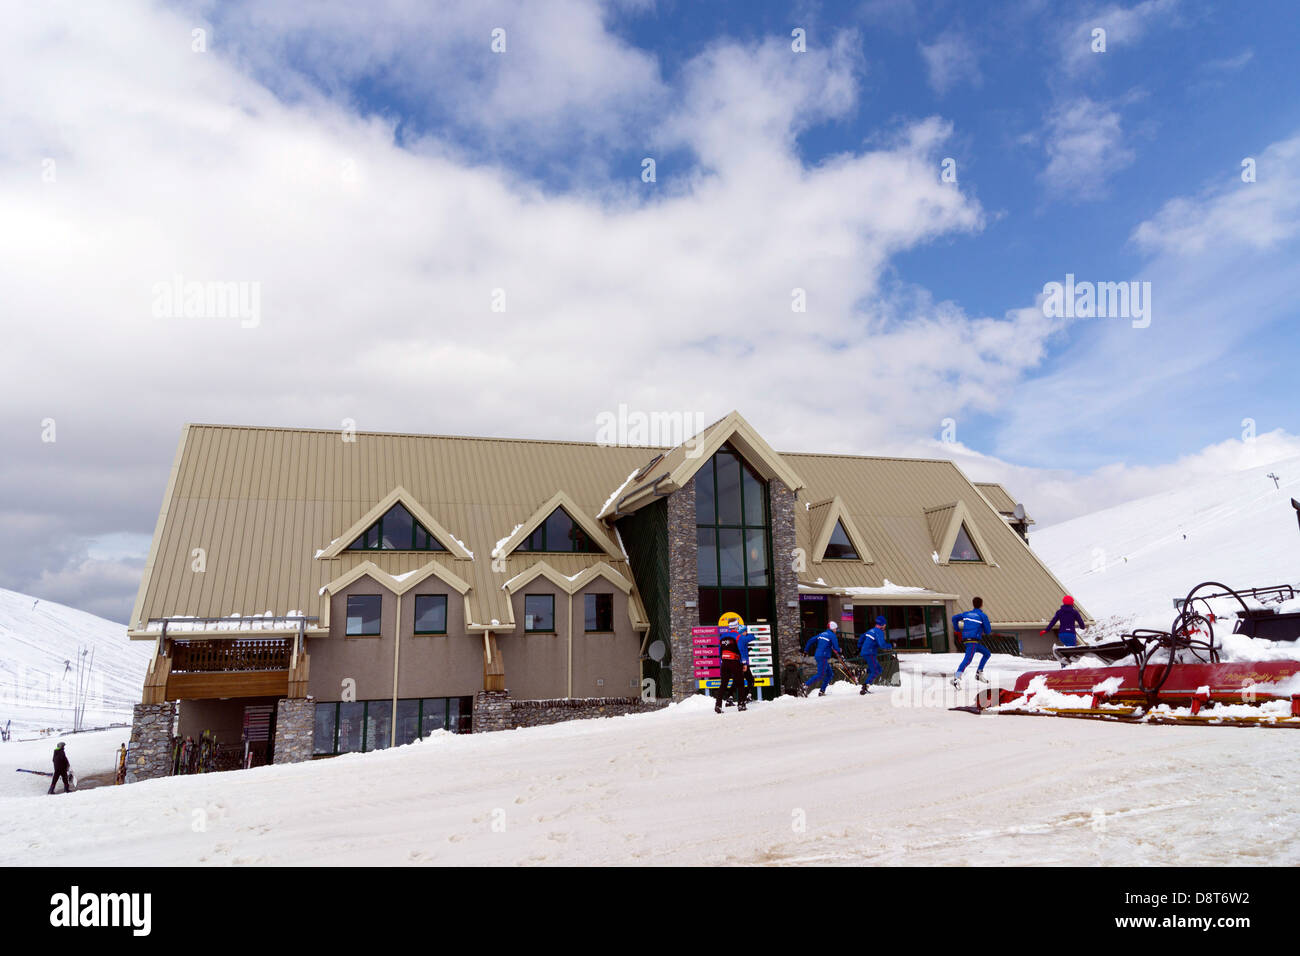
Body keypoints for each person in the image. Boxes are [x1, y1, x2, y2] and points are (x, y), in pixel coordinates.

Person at [951, 597, 992, 686]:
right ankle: (956, 678)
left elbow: (954, 618)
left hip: (968, 640)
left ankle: (978, 674)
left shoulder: (966, 614)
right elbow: (988, 631)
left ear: (973, 604)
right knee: (968, 659)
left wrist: (957, 629)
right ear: (982, 605)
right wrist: (983, 627)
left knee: (987, 653)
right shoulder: (982, 616)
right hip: (973, 640)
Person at [802, 621, 841, 697]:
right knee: (820, 674)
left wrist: (806, 651)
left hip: (818, 655)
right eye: (836, 629)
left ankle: (822, 691)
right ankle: (805, 685)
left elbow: (810, 641)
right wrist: (840, 650)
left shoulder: (822, 634)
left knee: (829, 674)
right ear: (832, 629)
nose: (836, 631)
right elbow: (836, 648)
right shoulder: (832, 635)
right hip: (823, 656)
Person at [857, 615, 893, 694]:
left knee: (879, 669)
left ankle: (864, 671)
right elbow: (882, 644)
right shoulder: (879, 632)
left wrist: (859, 648)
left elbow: (862, 638)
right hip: (870, 653)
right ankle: (865, 686)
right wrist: (890, 646)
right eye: (885, 625)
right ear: (882, 624)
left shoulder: (871, 630)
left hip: (866, 652)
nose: (885, 626)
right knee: (876, 670)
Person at [715, 629, 747, 713]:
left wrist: (722, 661)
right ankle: (741, 704)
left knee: (723, 684)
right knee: (740, 683)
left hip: (725, 662)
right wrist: (744, 663)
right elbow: (742, 650)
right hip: (735, 661)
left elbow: (719, 651)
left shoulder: (722, 637)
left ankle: (718, 705)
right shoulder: (738, 636)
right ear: (736, 626)